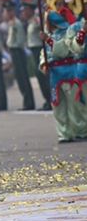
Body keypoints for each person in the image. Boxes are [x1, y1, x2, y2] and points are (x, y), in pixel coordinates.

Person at [40, 12, 81, 143]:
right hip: (55, 75)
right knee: (58, 105)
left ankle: (78, 130)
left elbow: (63, 51)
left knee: (73, 104)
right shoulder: (48, 35)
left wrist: (49, 41)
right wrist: (43, 64)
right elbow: (43, 53)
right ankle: (64, 133)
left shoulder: (67, 33)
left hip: (68, 72)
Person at [3, 1, 35, 110]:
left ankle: (29, 103)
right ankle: (27, 102)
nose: (7, 13)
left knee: (23, 78)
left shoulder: (16, 23)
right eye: (6, 11)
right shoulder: (11, 23)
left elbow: (20, 40)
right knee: (20, 78)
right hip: (14, 51)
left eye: (9, 11)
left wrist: (15, 48)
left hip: (17, 51)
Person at [20, 2, 51, 110]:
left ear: (30, 10)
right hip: (33, 50)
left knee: (42, 74)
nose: (23, 13)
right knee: (39, 76)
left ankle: (50, 100)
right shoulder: (29, 22)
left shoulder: (36, 19)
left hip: (39, 49)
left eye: (25, 10)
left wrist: (43, 14)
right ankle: (47, 100)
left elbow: (43, 25)